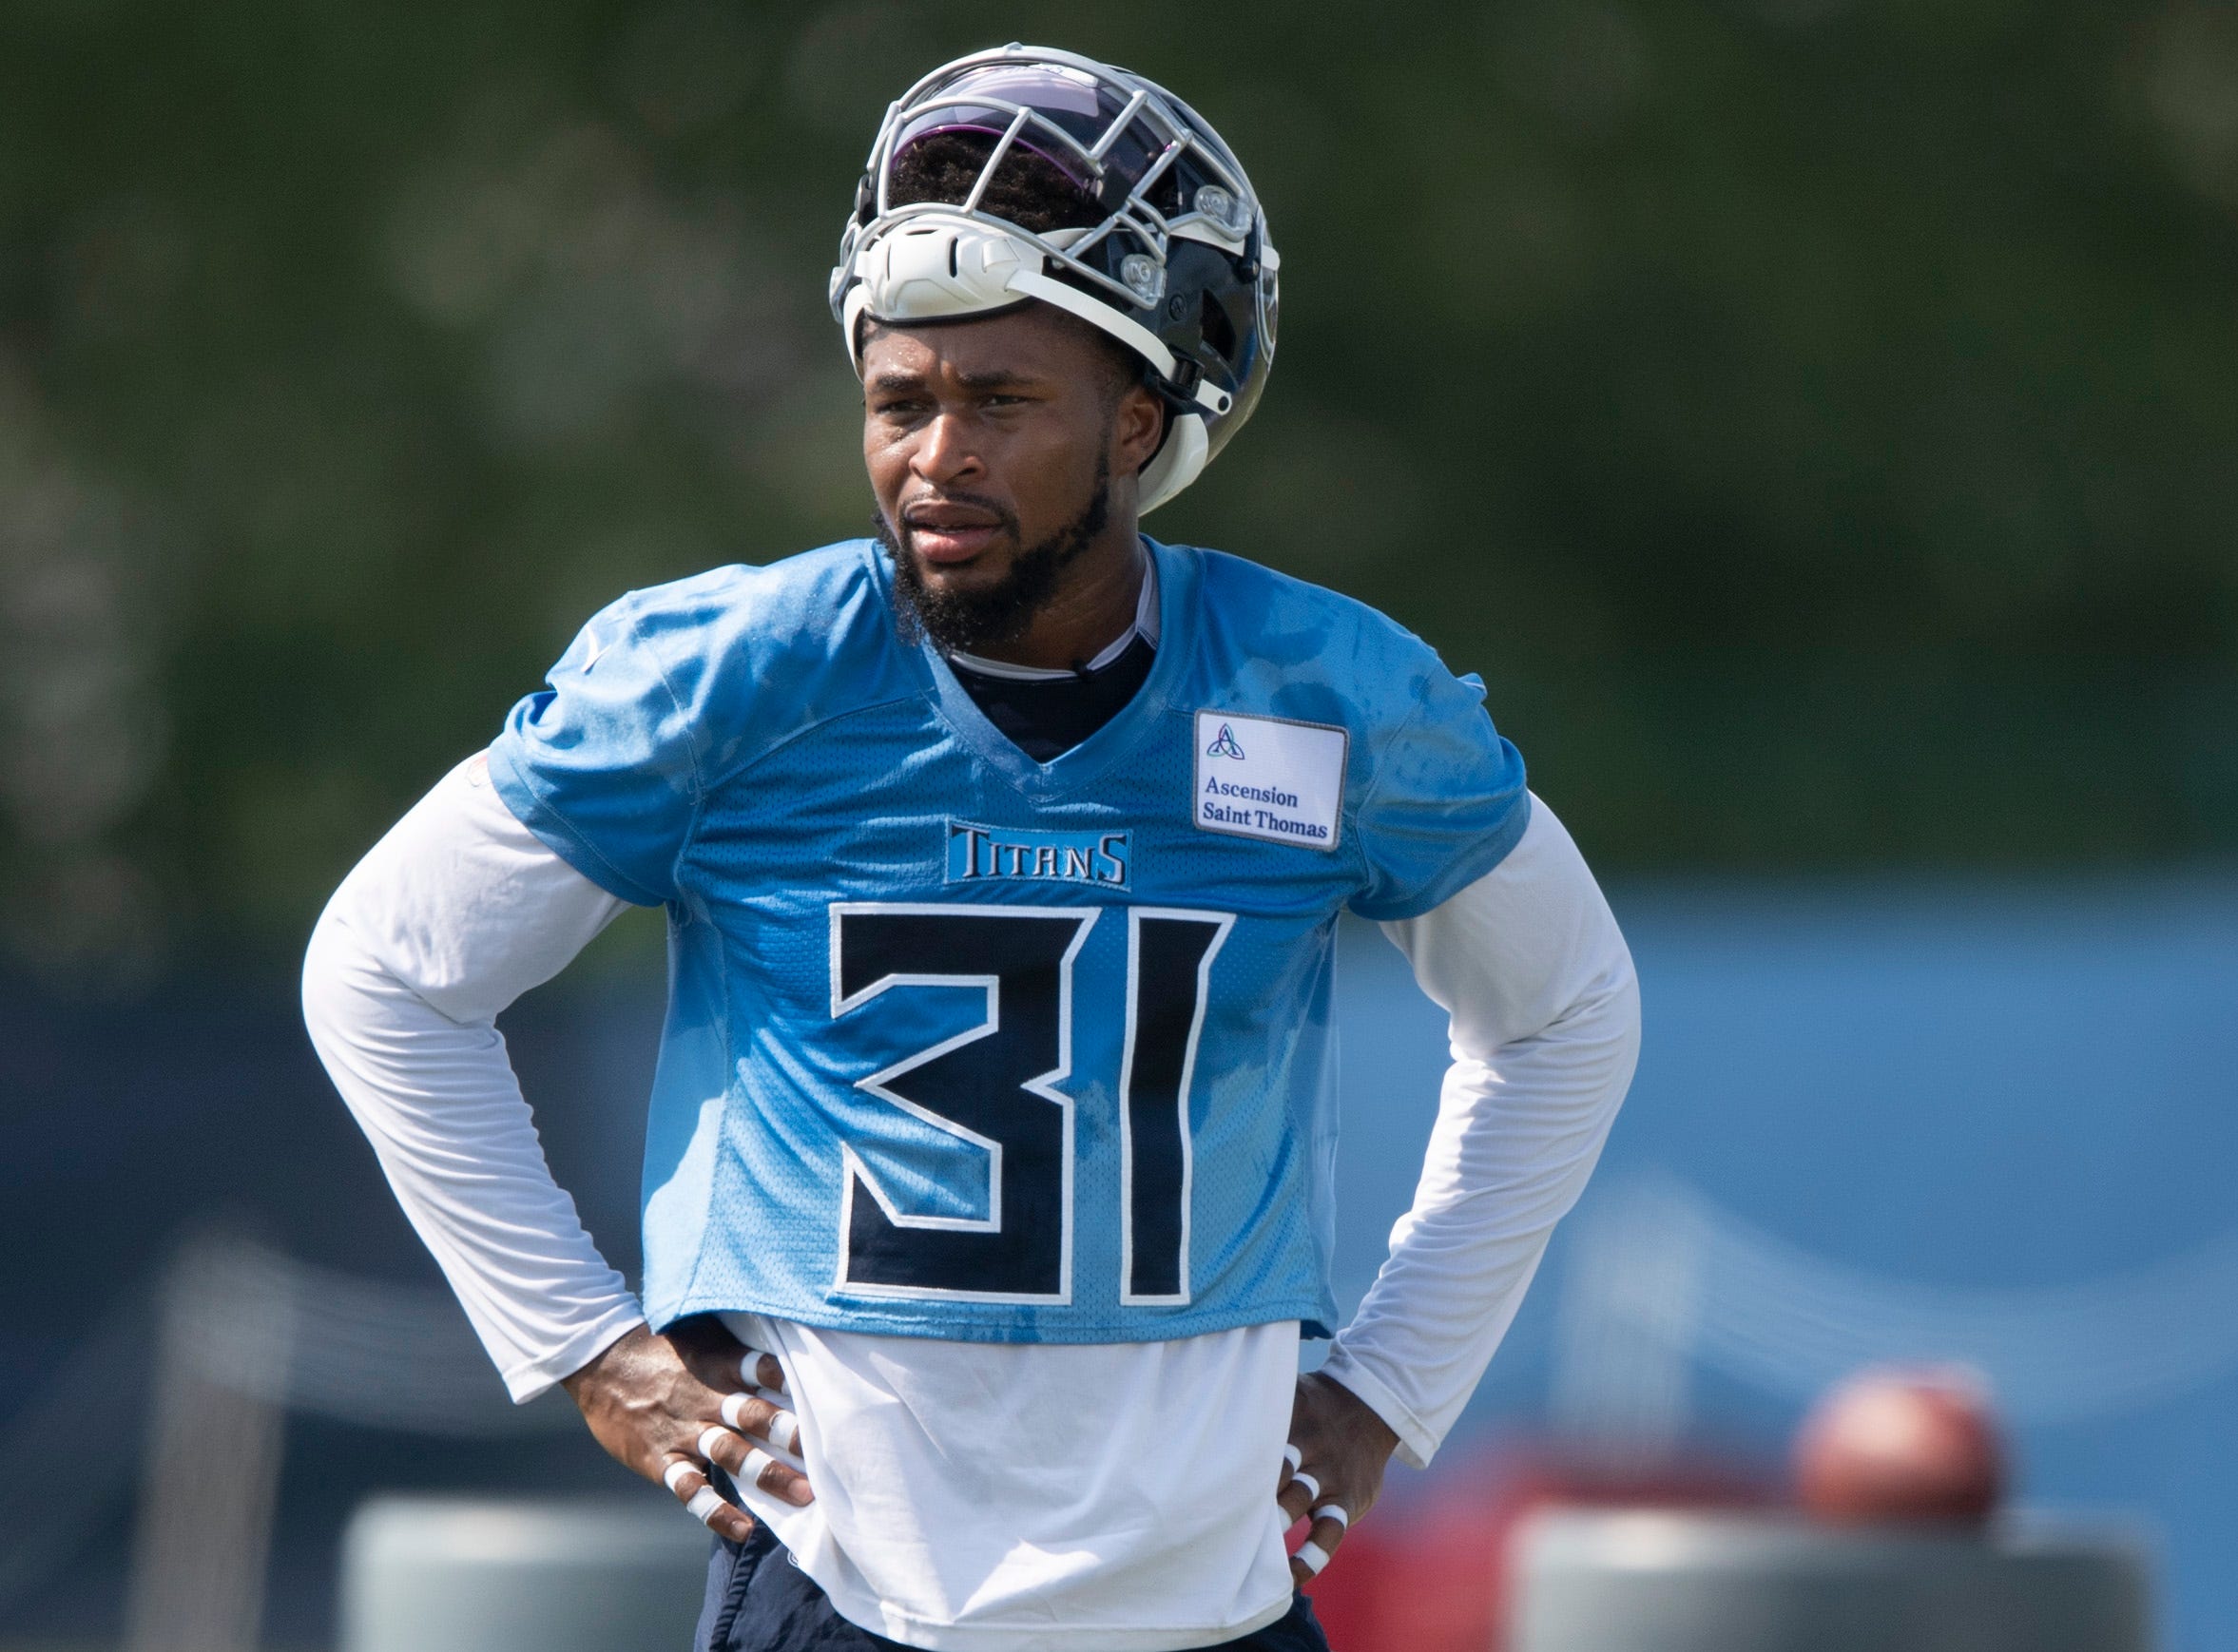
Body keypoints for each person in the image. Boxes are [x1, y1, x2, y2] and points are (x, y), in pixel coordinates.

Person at [302, 43, 1640, 1652]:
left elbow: (1566, 1012)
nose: (935, 456)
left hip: (1209, 1594)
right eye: (900, 400)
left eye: (1001, 401)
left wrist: (1390, 1383)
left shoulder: (1326, 697)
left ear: (1137, 419)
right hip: (850, 1588)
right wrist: (592, 1350)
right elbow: (382, 972)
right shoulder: (733, 678)